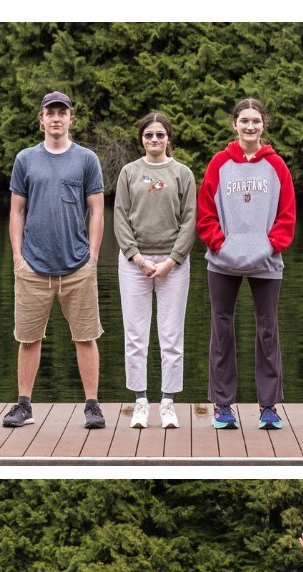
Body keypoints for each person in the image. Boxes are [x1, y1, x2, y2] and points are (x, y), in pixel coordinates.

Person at [2, 91, 108, 431]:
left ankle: (92, 405)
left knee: (86, 337)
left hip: (78, 265)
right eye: (51, 113)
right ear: (42, 119)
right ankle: (23, 405)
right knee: (28, 338)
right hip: (33, 265)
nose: (57, 118)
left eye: (62, 112)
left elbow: (96, 210)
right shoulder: (25, 159)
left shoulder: (87, 160)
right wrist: (18, 256)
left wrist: (92, 257)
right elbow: (16, 210)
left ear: (71, 119)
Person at [196, 97, 296, 431]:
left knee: (268, 330)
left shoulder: (277, 166)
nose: (250, 126)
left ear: (262, 124)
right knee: (221, 330)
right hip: (222, 262)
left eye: (255, 120)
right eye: (244, 121)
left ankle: (268, 406)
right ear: (234, 124)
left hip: (266, 260)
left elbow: (287, 216)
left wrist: (268, 247)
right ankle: (222, 404)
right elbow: (206, 214)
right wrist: (222, 245)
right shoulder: (219, 164)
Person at [114, 111, 197, 431]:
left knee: (171, 335)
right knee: (135, 336)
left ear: (168, 139)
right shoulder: (129, 172)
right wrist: (136, 257)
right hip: (135, 264)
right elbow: (120, 217)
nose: (154, 140)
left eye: (160, 135)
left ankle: (167, 403)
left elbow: (190, 221)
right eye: (149, 135)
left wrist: (172, 260)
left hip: (173, 265)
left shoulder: (182, 173)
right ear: (142, 139)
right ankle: (140, 402)